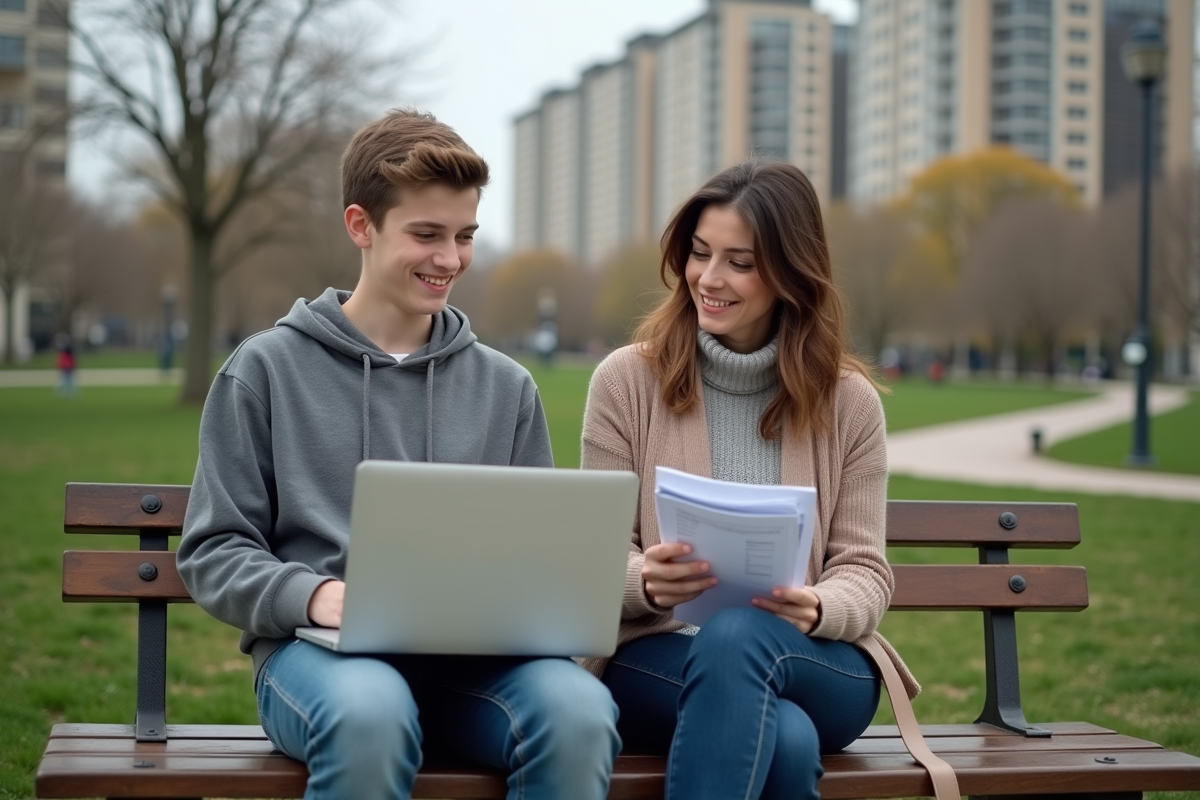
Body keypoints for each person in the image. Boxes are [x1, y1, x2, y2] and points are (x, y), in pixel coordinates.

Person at [177, 109, 620, 800]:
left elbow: (539, 562)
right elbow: (213, 548)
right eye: (426, 234)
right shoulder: (264, 370)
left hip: (473, 669)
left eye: (465, 236)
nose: (450, 259)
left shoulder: (507, 388)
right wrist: (316, 595)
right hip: (319, 661)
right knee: (371, 712)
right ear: (361, 225)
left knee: (579, 713)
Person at [579, 159, 918, 800]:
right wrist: (645, 580)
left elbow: (865, 571)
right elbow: (592, 556)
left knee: (740, 638)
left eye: (740, 262)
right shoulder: (626, 382)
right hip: (659, 656)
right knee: (784, 739)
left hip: (815, 659)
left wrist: (820, 606)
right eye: (700, 254)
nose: (710, 278)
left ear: (791, 272)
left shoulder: (848, 402)